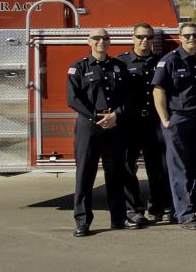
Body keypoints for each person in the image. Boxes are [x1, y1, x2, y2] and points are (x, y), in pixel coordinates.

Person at [69, 28, 134, 237]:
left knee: (116, 173)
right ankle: (82, 221)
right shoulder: (78, 67)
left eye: (105, 38)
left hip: (115, 125)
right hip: (89, 126)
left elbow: (128, 97)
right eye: (96, 38)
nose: (101, 41)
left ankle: (119, 218)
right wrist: (96, 116)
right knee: (85, 174)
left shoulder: (119, 67)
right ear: (89, 41)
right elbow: (73, 98)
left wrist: (116, 115)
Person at [152, 22, 196, 229]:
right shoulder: (169, 60)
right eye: (187, 35)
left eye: (195, 35)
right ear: (180, 37)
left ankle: (188, 206)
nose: (191, 39)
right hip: (178, 120)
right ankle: (185, 215)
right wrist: (165, 120)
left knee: (194, 166)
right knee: (178, 168)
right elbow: (158, 91)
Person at [116, 23, 171, 226]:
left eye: (148, 37)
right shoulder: (121, 62)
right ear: (133, 38)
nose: (144, 41)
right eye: (140, 37)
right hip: (129, 123)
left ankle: (158, 207)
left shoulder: (162, 61)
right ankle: (134, 210)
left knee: (157, 168)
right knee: (128, 167)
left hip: (154, 122)